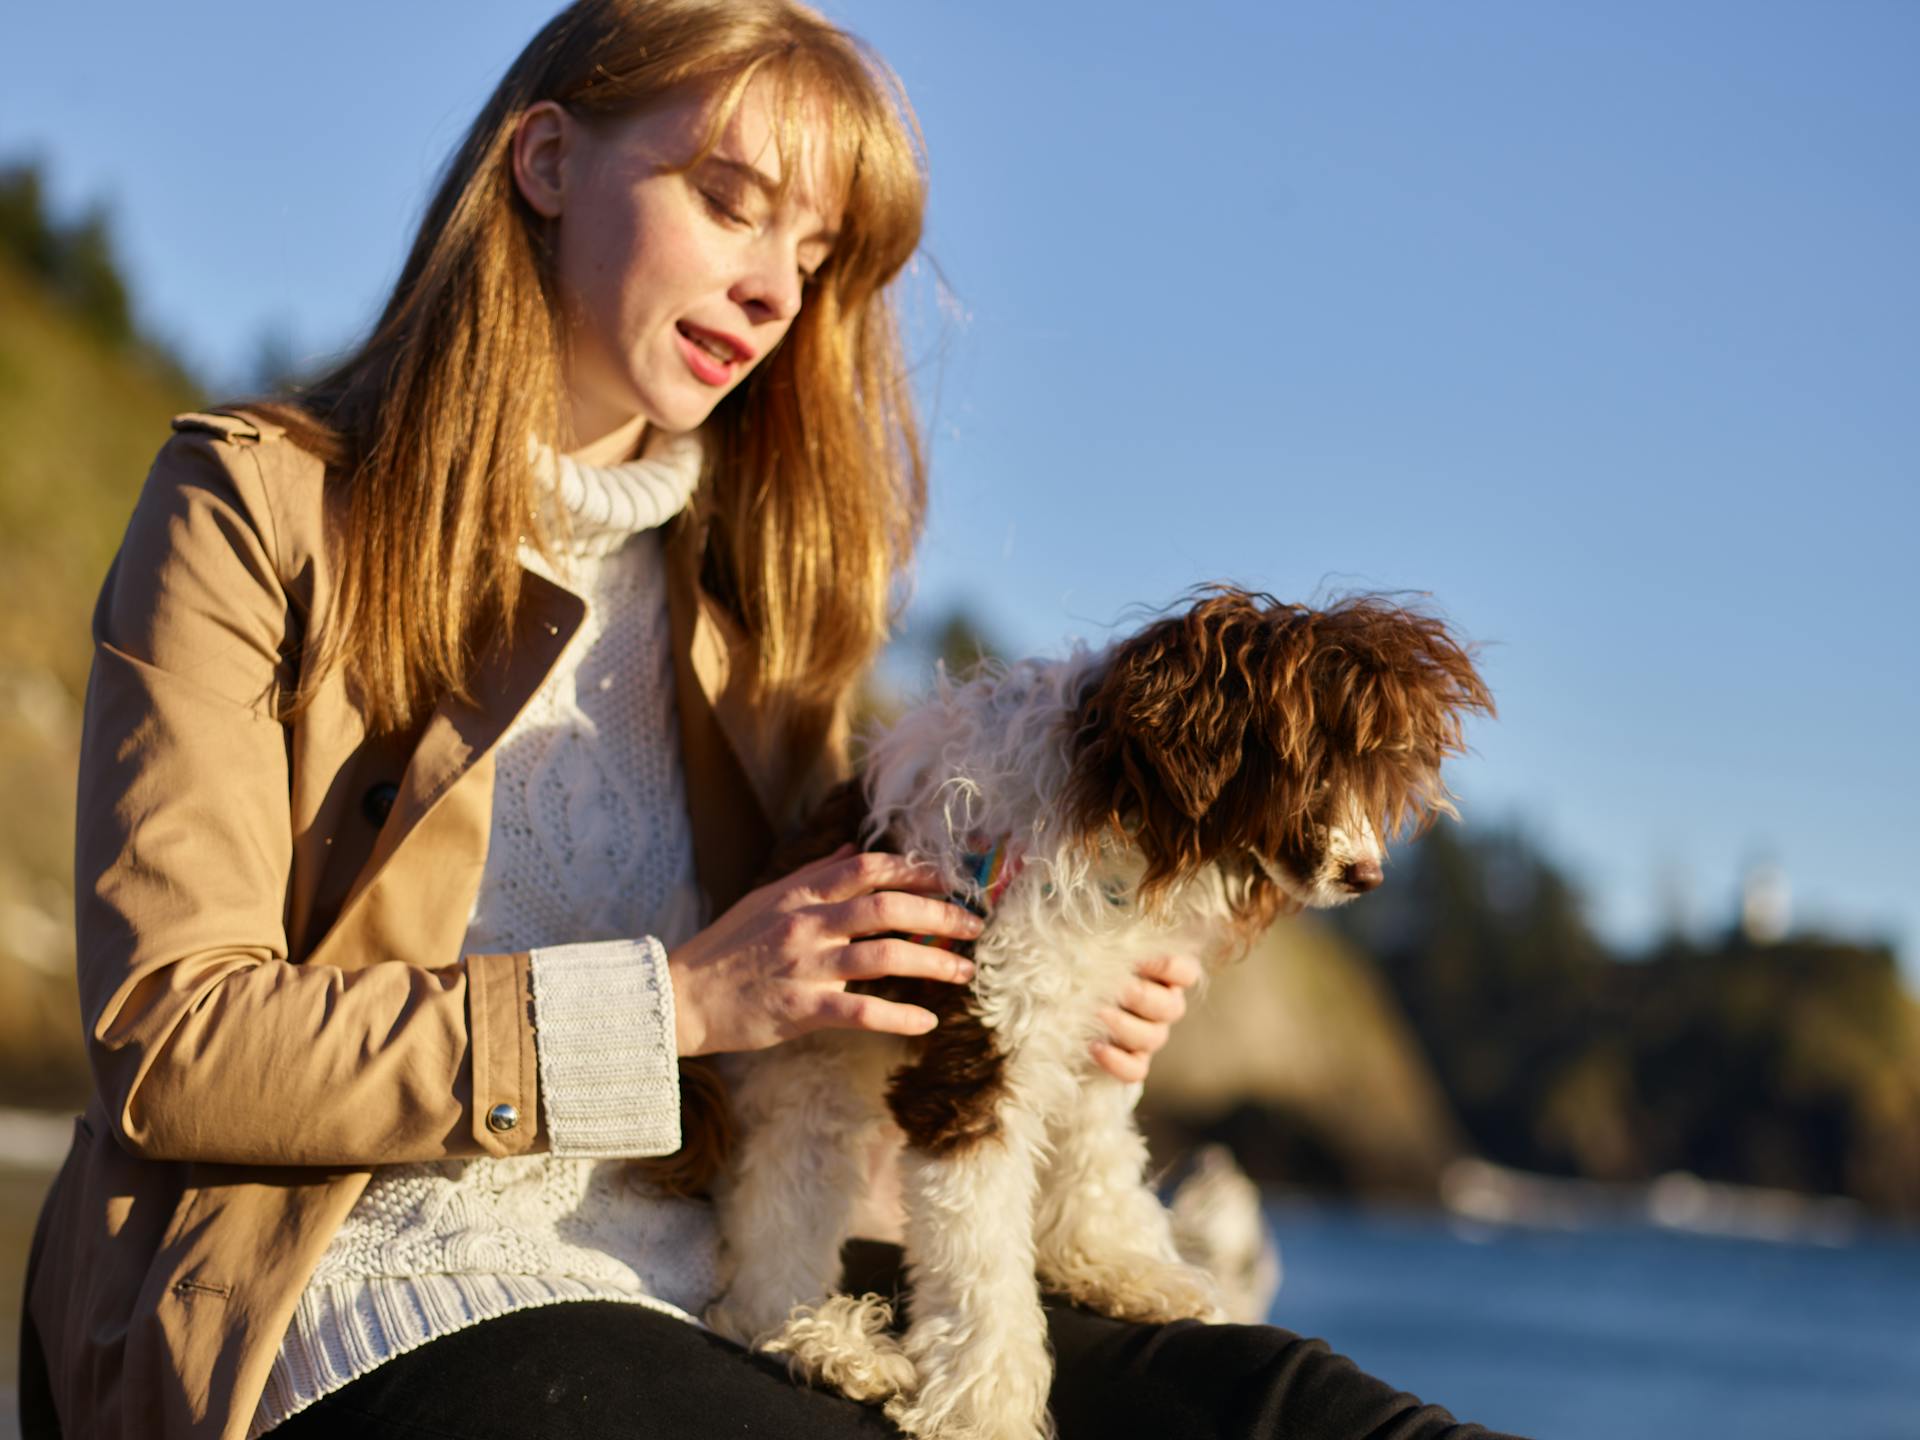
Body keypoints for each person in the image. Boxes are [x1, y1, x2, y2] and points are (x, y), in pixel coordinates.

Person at [18, 3, 1525, 1437]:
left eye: (813, 255)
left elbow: (826, 1085)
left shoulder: (761, 615)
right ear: (545, 162)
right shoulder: (260, 508)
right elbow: (175, 1041)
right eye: (730, 200)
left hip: (730, 1274)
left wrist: (1030, 999)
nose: (772, 288)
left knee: (1294, 1412)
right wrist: (677, 1003)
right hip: (358, 1290)